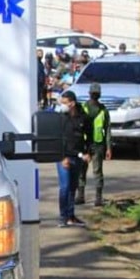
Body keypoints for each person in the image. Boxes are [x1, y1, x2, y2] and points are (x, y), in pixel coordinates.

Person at [56, 90, 91, 228]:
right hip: (63, 157)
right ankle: (63, 216)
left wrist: (88, 152)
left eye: (65, 103)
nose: (62, 105)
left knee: (73, 187)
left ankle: (71, 216)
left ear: (72, 103)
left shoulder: (83, 118)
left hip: (78, 157)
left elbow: (90, 136)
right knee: (64, 187)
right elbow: (56, 139)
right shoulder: (60, 118)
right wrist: (62, 157)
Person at [77, 83, 112, 206]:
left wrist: (108, 148)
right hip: (84, 144)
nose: (95, 95)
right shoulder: (83, 108)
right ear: (89, 94)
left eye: (96, 94)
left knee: (97, 171)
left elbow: (107, 129)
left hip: (98, 144)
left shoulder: (103, 110)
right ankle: (80, 195)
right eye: (93, 93)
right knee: (81, 170)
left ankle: (98, 197)